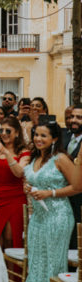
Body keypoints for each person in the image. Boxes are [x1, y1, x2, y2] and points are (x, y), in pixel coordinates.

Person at [22, 121, 77, 282]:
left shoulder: (61, 158)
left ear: (54, 138)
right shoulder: (36, 158)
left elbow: (77, 186)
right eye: (36, 135)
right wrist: (30, 187)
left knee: (53, 263)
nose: (38, 139)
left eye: (43, 136)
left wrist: (50, 192)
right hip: (38, 216)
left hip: (58, 216)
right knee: (36, 261)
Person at [0, 116, 30, 249]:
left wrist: (6, 153)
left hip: (14, 199)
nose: (3, 134)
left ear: (17, 133)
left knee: (11, 238)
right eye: (1, 130)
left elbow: (19, 172)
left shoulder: (23, 152)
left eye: (8, 131)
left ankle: (11, 270)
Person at [65, 105, 82, 250]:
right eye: (72, 117)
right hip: (63, 202)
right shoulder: (64, 137)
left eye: (79, 117)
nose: (74, 120)